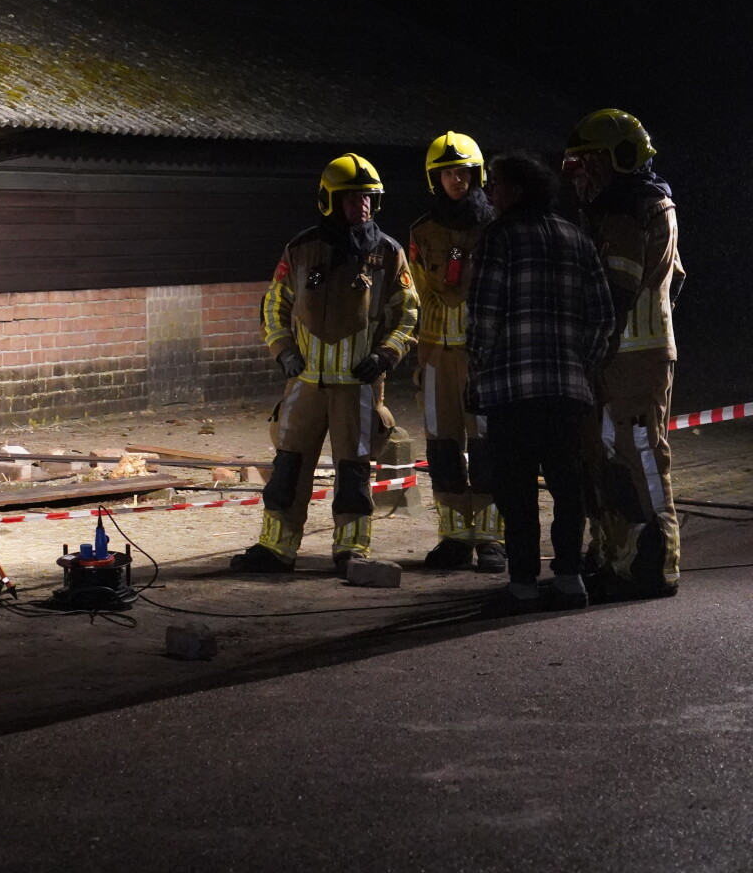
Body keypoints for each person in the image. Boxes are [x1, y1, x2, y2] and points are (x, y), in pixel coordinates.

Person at [234, 154, 419, 575]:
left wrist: (385, 355)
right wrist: (284, 352)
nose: (362, 205)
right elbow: (274, 305)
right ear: (329, 201)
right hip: (304, 383)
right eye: (352, 197)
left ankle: (351, 549)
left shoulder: (388, 253)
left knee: (354, 472)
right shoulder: (301, 250)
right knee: (288, 467)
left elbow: (408, 314)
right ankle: (276, 548)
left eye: (368, 197)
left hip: (359, 388)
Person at [466, 151, 614, 613]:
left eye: (495, 184)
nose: (490, 193)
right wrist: (579, 365)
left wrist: (478, 368)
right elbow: (603, 316)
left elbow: (484, 315)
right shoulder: (576, 238)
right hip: (567, 392)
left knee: (517, 490)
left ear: (516, 191)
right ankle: (569, 579)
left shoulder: (499, 237)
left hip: (512, 391)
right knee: (568, 486)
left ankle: (524, 585)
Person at [565, 109, 685, 598]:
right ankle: (618, 559)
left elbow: (614, 292)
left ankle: (654, 564)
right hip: (626, 355)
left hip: (630, 358)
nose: (582, 175)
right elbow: (676, 279)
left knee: (640, 456)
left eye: (590, 163)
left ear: (621, 158)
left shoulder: (630, 210)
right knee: (609, 456)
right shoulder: (643, 205)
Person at [407, 132, 504, 572]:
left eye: (463, 172)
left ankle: (490, 539)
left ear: (476, 174)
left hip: (481, 356)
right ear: (435, 179)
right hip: (434, 359)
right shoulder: (421, 231)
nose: (456, 180)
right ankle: (453, 537)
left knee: (486, 446)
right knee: (442, 447)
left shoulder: (496, 227)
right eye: (447, 173)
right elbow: (415, 293)